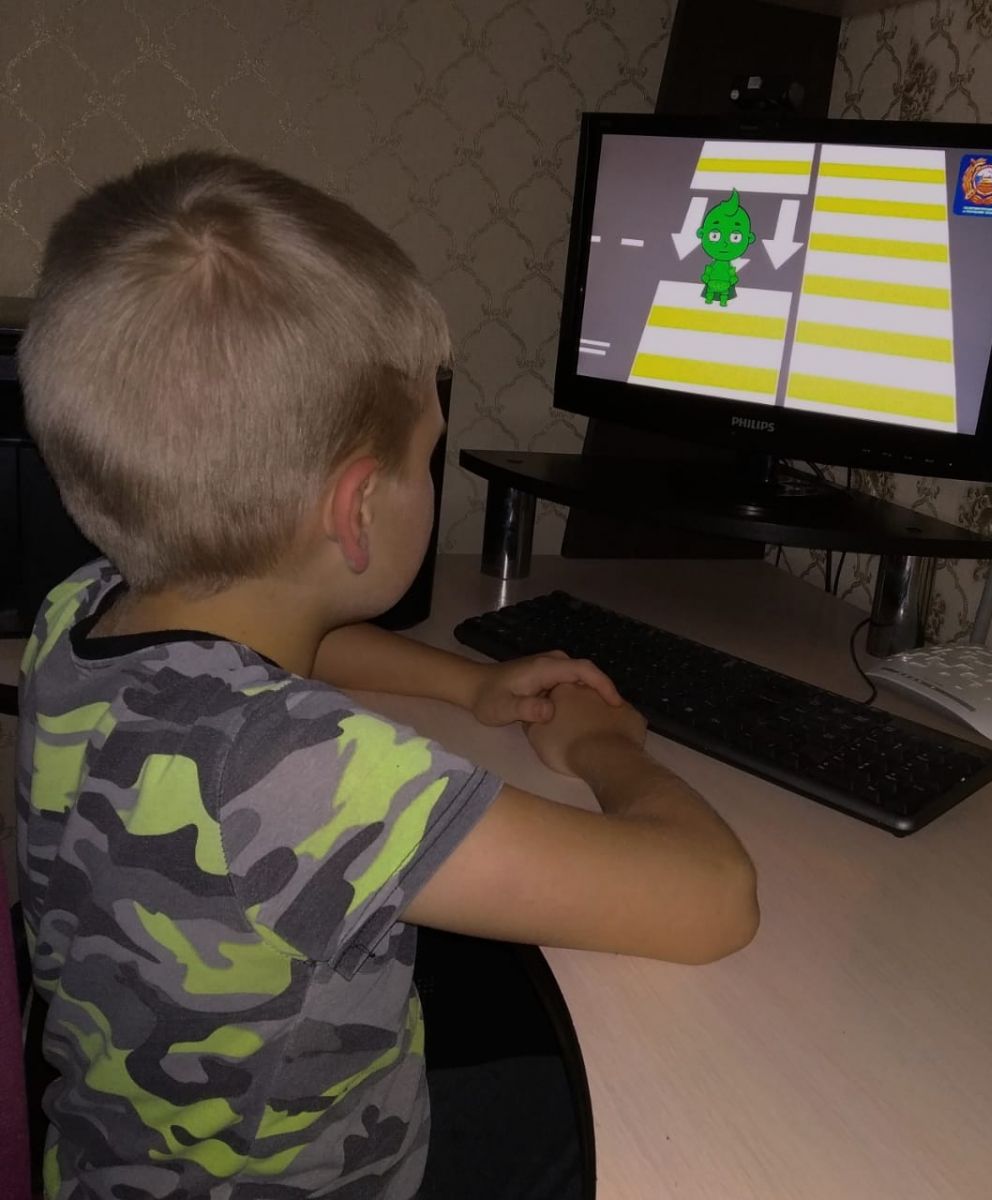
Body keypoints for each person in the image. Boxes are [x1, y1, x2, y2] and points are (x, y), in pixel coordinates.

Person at [14, 152, 759, 1200]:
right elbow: (714, 898)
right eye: (426, 455)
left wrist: (466, 687)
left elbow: (282, 647)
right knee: (652, 1123)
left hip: (114, 1165)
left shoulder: (82, 612)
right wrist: (603, 745)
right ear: (359, 509)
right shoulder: (302, 777)